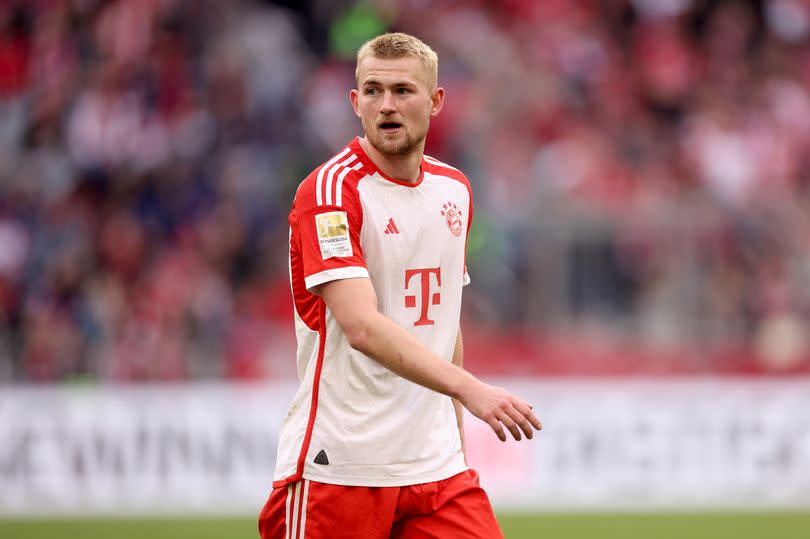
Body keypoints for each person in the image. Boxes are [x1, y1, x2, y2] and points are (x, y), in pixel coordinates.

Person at [258, 32, 542, 539]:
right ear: (354, 102)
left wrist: (454, 437)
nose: (386, 105)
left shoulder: (453, 188)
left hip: (435, 470)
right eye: (372, 90)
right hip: (341, 467)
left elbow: (444, 321)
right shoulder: (330, 191)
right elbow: (362, 326)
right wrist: (471, 390)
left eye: (403, 91)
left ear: (435, 102)